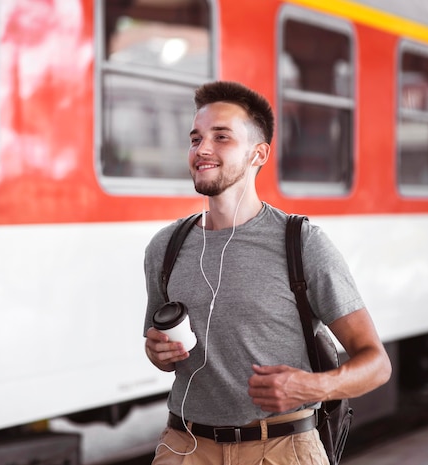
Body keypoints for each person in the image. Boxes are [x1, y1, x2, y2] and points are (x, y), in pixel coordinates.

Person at [143, 81, 392, 464]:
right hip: (185, 447)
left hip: (281, 448)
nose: (202, 149)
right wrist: (158, 351)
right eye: (196, 139)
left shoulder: (302, 243)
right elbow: (159, 350)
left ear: (258, 154)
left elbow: (376, 363)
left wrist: (312, 386)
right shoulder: (165, 247)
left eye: (221, 137)